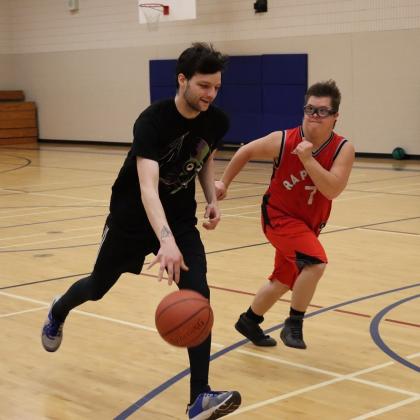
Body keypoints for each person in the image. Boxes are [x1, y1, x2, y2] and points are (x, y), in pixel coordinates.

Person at [41, 42, 241, 420]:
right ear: (182, 80)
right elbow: (148, 187)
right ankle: (58, 309)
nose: (210, 95)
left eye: (216, 87)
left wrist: (211, 195)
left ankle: (199, 397)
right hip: (132, 218)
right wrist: (164, 241)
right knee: (97, 287)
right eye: (203, 86)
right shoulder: (152, 121)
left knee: (198, 294)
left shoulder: (217, 121)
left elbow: (204, 157)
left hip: (180, 217)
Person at [215, 80, 355, 350]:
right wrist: (224, 182)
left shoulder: (343, 149)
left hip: (308, 224)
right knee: (315, 263)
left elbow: (332, 189)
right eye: (310, 109)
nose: (314, 116)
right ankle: (294, 323)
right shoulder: (283, 140)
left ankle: (249, 320)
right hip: (278, 217)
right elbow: (245, 151)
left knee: (283, 279)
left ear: (335, 116)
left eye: (322, 111)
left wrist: (308, 159)